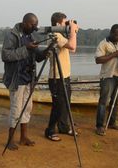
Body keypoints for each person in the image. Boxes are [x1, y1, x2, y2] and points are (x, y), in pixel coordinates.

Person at [2, 13, 51, 150]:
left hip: (29, 79)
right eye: (32, 24)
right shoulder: (12, 35)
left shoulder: (31, 36)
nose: (34, 27)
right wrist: (26, 48)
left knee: (27, 108)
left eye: (36, 25)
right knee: (16, 110)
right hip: (16, 79)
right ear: (24, 22)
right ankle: (10, 140)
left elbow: (37, 57)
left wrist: (47, 50)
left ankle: (23, 137)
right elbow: (6, 55)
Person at [44, 12, 79, 141]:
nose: (67, 24)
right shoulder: (55, 35)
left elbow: (73, 49)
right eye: (65, 22)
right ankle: (50, 130)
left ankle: (63, 127)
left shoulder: (61, 35)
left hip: (65, 75)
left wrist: (72, 32)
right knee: (58, 105)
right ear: (58, 24)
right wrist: (73, 31)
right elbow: (72, 45)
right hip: (56, 77)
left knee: (65, 104)